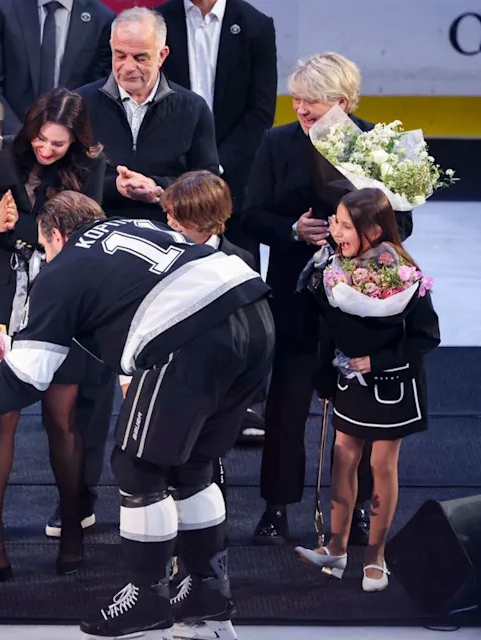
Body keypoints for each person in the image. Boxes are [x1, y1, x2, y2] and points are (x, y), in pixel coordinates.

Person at [0, 190, 273, 640]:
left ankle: (147, 598)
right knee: (192, 466)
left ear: (56, 234)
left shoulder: (63, 267)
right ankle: (207, 593)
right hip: (256, 315)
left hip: (192, 334)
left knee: (139, 465)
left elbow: (30, 375)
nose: (45, 256)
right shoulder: (138, 226)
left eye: (44, 246)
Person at [0, 88, 110, 579]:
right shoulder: (0, 153)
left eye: (58, 143)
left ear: (75, 141)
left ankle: (72, 528)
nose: (46, 150)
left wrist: (14, 229)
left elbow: (83, 232)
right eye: (40, 139)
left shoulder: (91, 164)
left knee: (62, 419)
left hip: (62, 297)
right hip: (0, 294)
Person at [242, 53, 378, 546]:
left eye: (312, 101)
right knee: (287, 406)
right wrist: (291, 230)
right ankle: (275, 508)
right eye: (297, 98)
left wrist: (356, 233)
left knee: (358, 409)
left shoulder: (373, 142)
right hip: (295, 298)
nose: (300, 108)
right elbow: (250, 215)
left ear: (342, 101)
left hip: (359, 300)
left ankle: (358, 509)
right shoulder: (277, 142)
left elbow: (401, 223)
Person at [294, 188, 439, 592]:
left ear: (374, 231)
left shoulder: (405, 276)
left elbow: (427, 337)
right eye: (336, 223)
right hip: (349, 385)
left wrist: (377, 361)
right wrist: (324, 378)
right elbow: (327, 331)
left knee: (381, 466)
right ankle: (336, 548)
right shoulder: (334, 270)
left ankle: (375, 557)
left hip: (393, 386)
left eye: (345, 226)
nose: (336, 232)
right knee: (343, 459)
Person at [161, 169, 259, 498]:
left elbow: (249, 329)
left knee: (205, 463)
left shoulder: (240, 261)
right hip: (171, 376)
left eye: (178, 216)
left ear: (204, 219)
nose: (170, 221)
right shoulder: (161, 250)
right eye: (169, 214)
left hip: (217, 380)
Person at [155, 0, 277, 267]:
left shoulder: (256, 26)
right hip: (171, 177)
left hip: (233, 182)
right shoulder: (158, 21)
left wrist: (213, 165)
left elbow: (260, 111)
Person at [75, 8, 220, 221]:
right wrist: (116, 186)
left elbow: (209, 184)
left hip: (170, 230)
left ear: (162, 55)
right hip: (98, 229)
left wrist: (159, 187)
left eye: (140, 57)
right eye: (120, 55)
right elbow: (65, 179)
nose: (128, 67)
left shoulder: (193, 108)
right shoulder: (80, 103)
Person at [0, 0, 114, 135]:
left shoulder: (102, 19)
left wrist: (64, 141)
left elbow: (97, 97)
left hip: (70, 145)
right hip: (8, 141)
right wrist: (21, 139)